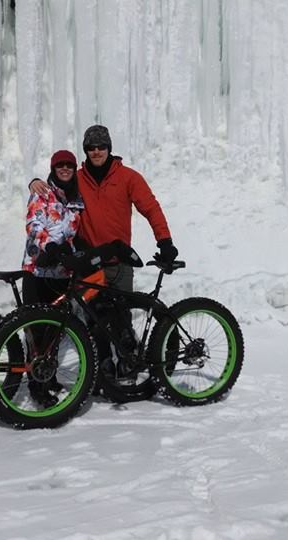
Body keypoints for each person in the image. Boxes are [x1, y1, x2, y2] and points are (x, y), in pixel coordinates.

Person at [29, 125, 178, 376]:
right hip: (89, 262)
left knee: (122, 318)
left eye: (101, 147)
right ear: (85, 150)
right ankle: (104, 365)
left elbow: (151, 208)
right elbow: (54, 188)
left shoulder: (129, 177)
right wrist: (34, 182)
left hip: (120, 261)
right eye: (91, 147)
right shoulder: (77, 179)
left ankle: (127, 363)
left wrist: (164, 241)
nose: (96, 151)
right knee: (95, 319)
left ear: (109, 148)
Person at [21, 149, 84, 405]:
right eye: (60, 165)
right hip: (37, 271)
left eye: (69, 165)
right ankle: (36, 385)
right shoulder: (42, 193)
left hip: (61, 274)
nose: (65, 169)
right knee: (36, 330)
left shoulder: (77, 201)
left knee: (55, 330)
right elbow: (33, 226)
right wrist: (51, 247)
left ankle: (50, 375)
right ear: (53, 168)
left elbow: (74, 235)